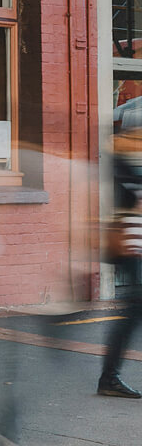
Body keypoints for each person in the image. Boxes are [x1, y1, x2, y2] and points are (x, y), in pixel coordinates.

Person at [98, 127, 142, 398]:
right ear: (117, 139)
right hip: (127, 248)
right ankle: (109, 378)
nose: (138, 142)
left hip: (135, 247)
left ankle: (109, 377)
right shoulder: (113, 165)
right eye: (134, 137)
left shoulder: (126, 166)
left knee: (132, 314)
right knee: (131, 314)